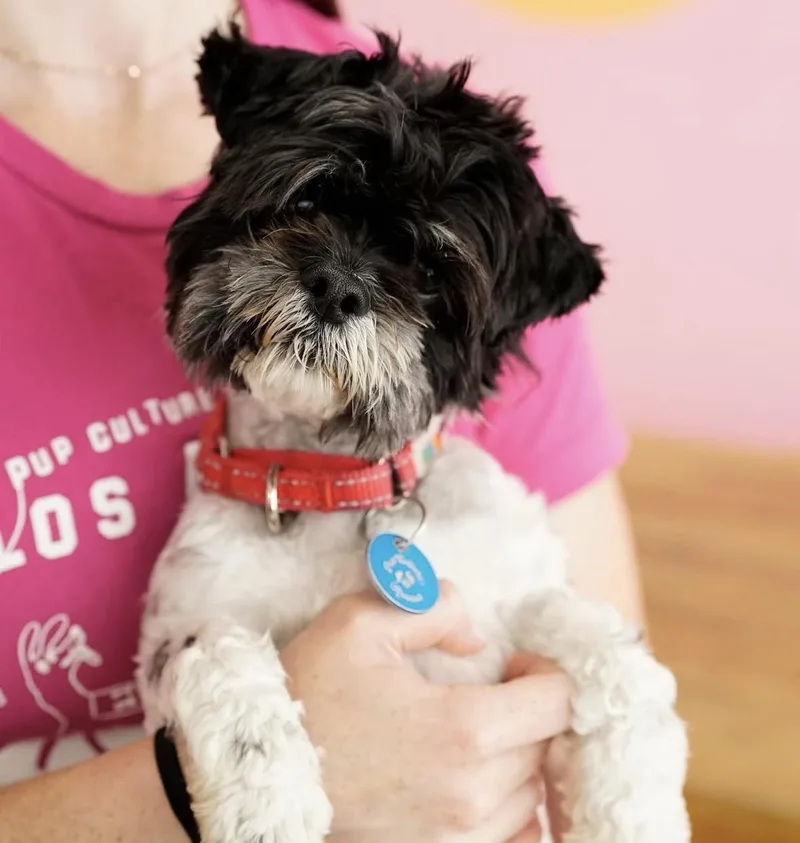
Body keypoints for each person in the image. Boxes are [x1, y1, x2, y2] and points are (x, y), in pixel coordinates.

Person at [0, 0, 645, 840]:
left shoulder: (477, 173)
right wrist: (177, 796)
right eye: (301, 208)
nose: (340, 283)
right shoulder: (311, 100)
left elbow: (597, 732)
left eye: (416, 271)